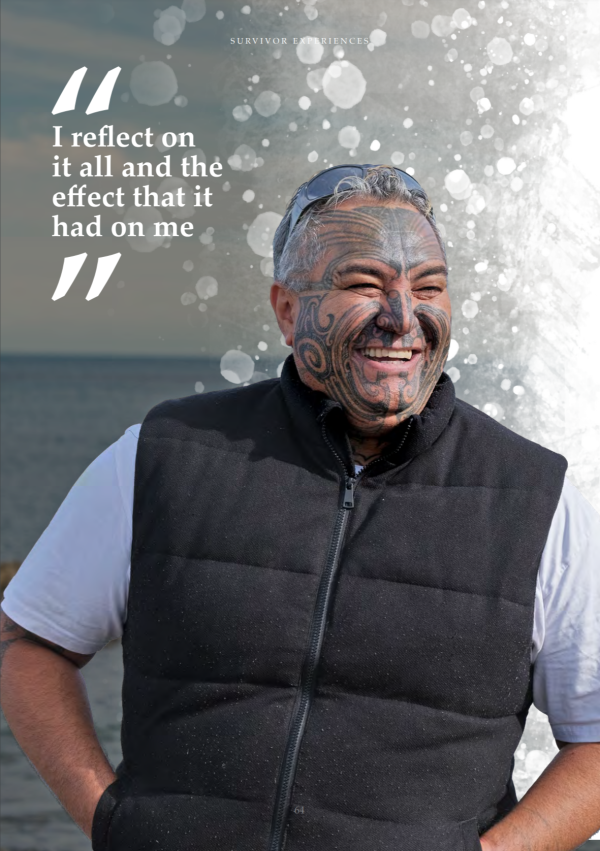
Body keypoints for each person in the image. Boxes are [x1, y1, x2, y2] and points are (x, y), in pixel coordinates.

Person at [1, 165, 599, 851]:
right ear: (287, 311)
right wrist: (110, 819)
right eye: (362, 285)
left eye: (428, 286)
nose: (403, 317)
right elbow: (30, 641)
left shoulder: (536, 500)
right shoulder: (161, 457)